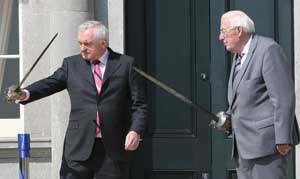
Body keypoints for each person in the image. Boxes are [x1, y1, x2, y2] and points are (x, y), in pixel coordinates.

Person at [7, 20, 147, 179]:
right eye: (80, 43)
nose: (82, 48)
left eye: (87, 44)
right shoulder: (71, 64)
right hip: (78, 147)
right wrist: (25, 93)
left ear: (103, 43)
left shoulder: (125, 64)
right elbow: (50, 83)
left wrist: (135, 130)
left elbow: (139, 105)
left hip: (113, 149)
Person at [219, 10, 296, 179]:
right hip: (243, 148)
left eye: (223, 31)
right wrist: (228, 118)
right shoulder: (239, 56)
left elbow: (284, 98)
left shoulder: (268, 49)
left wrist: (283, 139)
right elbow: (247, 96)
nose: (220, 37)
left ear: (239, 30)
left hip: (267, 148)